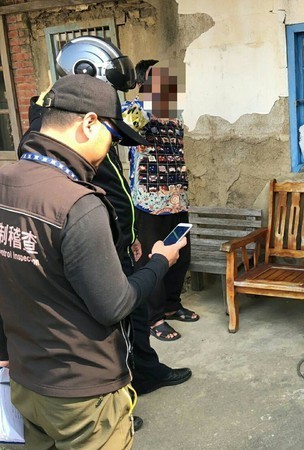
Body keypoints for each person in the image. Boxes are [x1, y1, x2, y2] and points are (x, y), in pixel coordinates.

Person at [0, 74, 186, 448]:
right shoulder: (78, 204)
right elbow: (114, 305)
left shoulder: (6, 179)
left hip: (26, 380)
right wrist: (160, 262)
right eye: (111, 137)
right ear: (88, 123)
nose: (109, 149)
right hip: (82, 394)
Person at [127, 64, 197, 341]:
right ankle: (153, 318)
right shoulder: (134, 110)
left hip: (178, 199)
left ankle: (171, 305)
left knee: (180, 256)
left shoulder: (174, 113)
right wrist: (147, 97)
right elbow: (128, 126)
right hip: (149, 202)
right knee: (152, 258)